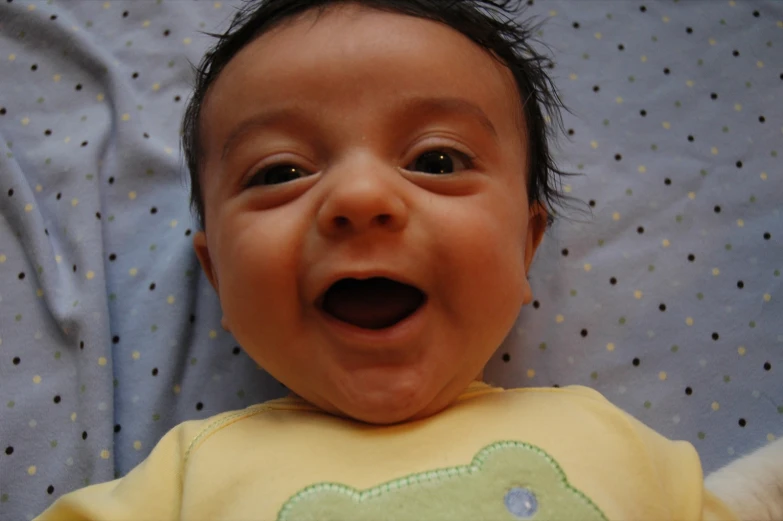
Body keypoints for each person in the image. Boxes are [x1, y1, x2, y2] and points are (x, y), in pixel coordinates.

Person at [35, 1, 782, 519]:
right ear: (215, 275)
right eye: (279, 172)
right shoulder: (183, 477)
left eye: (436, 158)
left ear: (526, 245)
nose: (359, 196)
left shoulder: (606, 437)